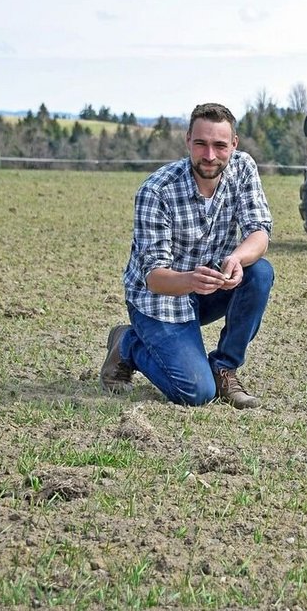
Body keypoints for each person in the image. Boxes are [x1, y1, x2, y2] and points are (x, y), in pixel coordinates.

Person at [100, 102, 274, 409]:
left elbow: (259, 232)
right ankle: (128, 344)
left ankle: (224, 368)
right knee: (195, 393)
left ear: (233, 144)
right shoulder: (156, 191)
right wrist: (191, 280)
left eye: (220, 145)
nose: (209, 156)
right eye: (201, 144)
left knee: (259, 272)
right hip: (160, 299)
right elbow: (154, 278)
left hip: (209, 285)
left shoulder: (244, 168)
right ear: (187, 142)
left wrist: (237, 259)